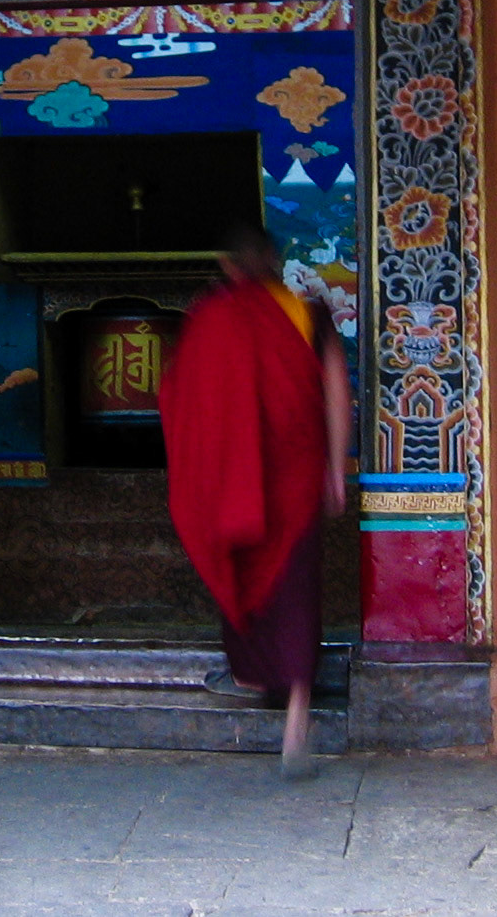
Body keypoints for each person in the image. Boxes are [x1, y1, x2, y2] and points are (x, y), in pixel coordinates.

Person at [158, 225, 350, 778]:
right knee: (295, 587)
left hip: (237, 485)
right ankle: (296, 718)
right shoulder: (308, 315)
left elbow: (179, 398)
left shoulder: (210, 318)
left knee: (249, 573)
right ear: (273, 261)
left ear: (230, 266)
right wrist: (336, 469)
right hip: (296, 479)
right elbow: (337, 391)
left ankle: (252, 675)